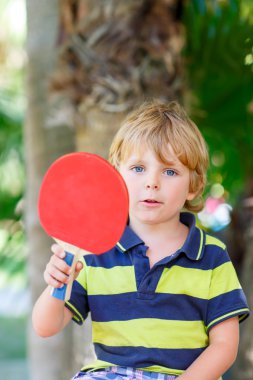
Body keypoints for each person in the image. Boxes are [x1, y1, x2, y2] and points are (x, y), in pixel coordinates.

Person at [32, 100, 250, 380]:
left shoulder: (211, 256)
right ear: (116, 176)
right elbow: (46, 326)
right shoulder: (95, 252)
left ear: (193, 187)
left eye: (169, 171)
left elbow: (224, 346)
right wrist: (57, 286)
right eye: (138, 168)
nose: (152, 182)